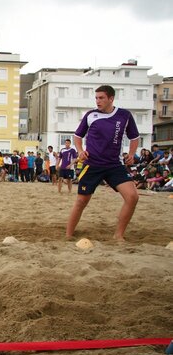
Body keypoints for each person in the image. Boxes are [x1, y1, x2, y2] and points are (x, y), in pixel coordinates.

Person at [66, 85, 139, 241]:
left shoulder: (124, 115)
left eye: (101, 98)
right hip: (92, 164)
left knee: (132, 197)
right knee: (81, 201)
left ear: (111, 98)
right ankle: (68, 235)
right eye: (96, 98)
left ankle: (118, 235)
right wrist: (80, 151)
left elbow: (134, 137)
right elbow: (77, 136)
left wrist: (132, 154)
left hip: (114, 165)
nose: (98, 101)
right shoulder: (91, 115)